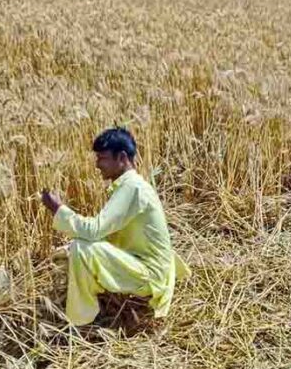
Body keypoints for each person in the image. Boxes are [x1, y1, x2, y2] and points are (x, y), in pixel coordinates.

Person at [41, 127, 190, 326]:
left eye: (102, 158)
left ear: (121, 157)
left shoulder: (133, 188)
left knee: (82, 249)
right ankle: (98, 306)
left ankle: (80, 321)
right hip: (142, 266)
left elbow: (94, 230)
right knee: (71, 251)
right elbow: (105, 234)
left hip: (150, 275)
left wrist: (58, 209)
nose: (97, 165)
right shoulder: (129, 186)